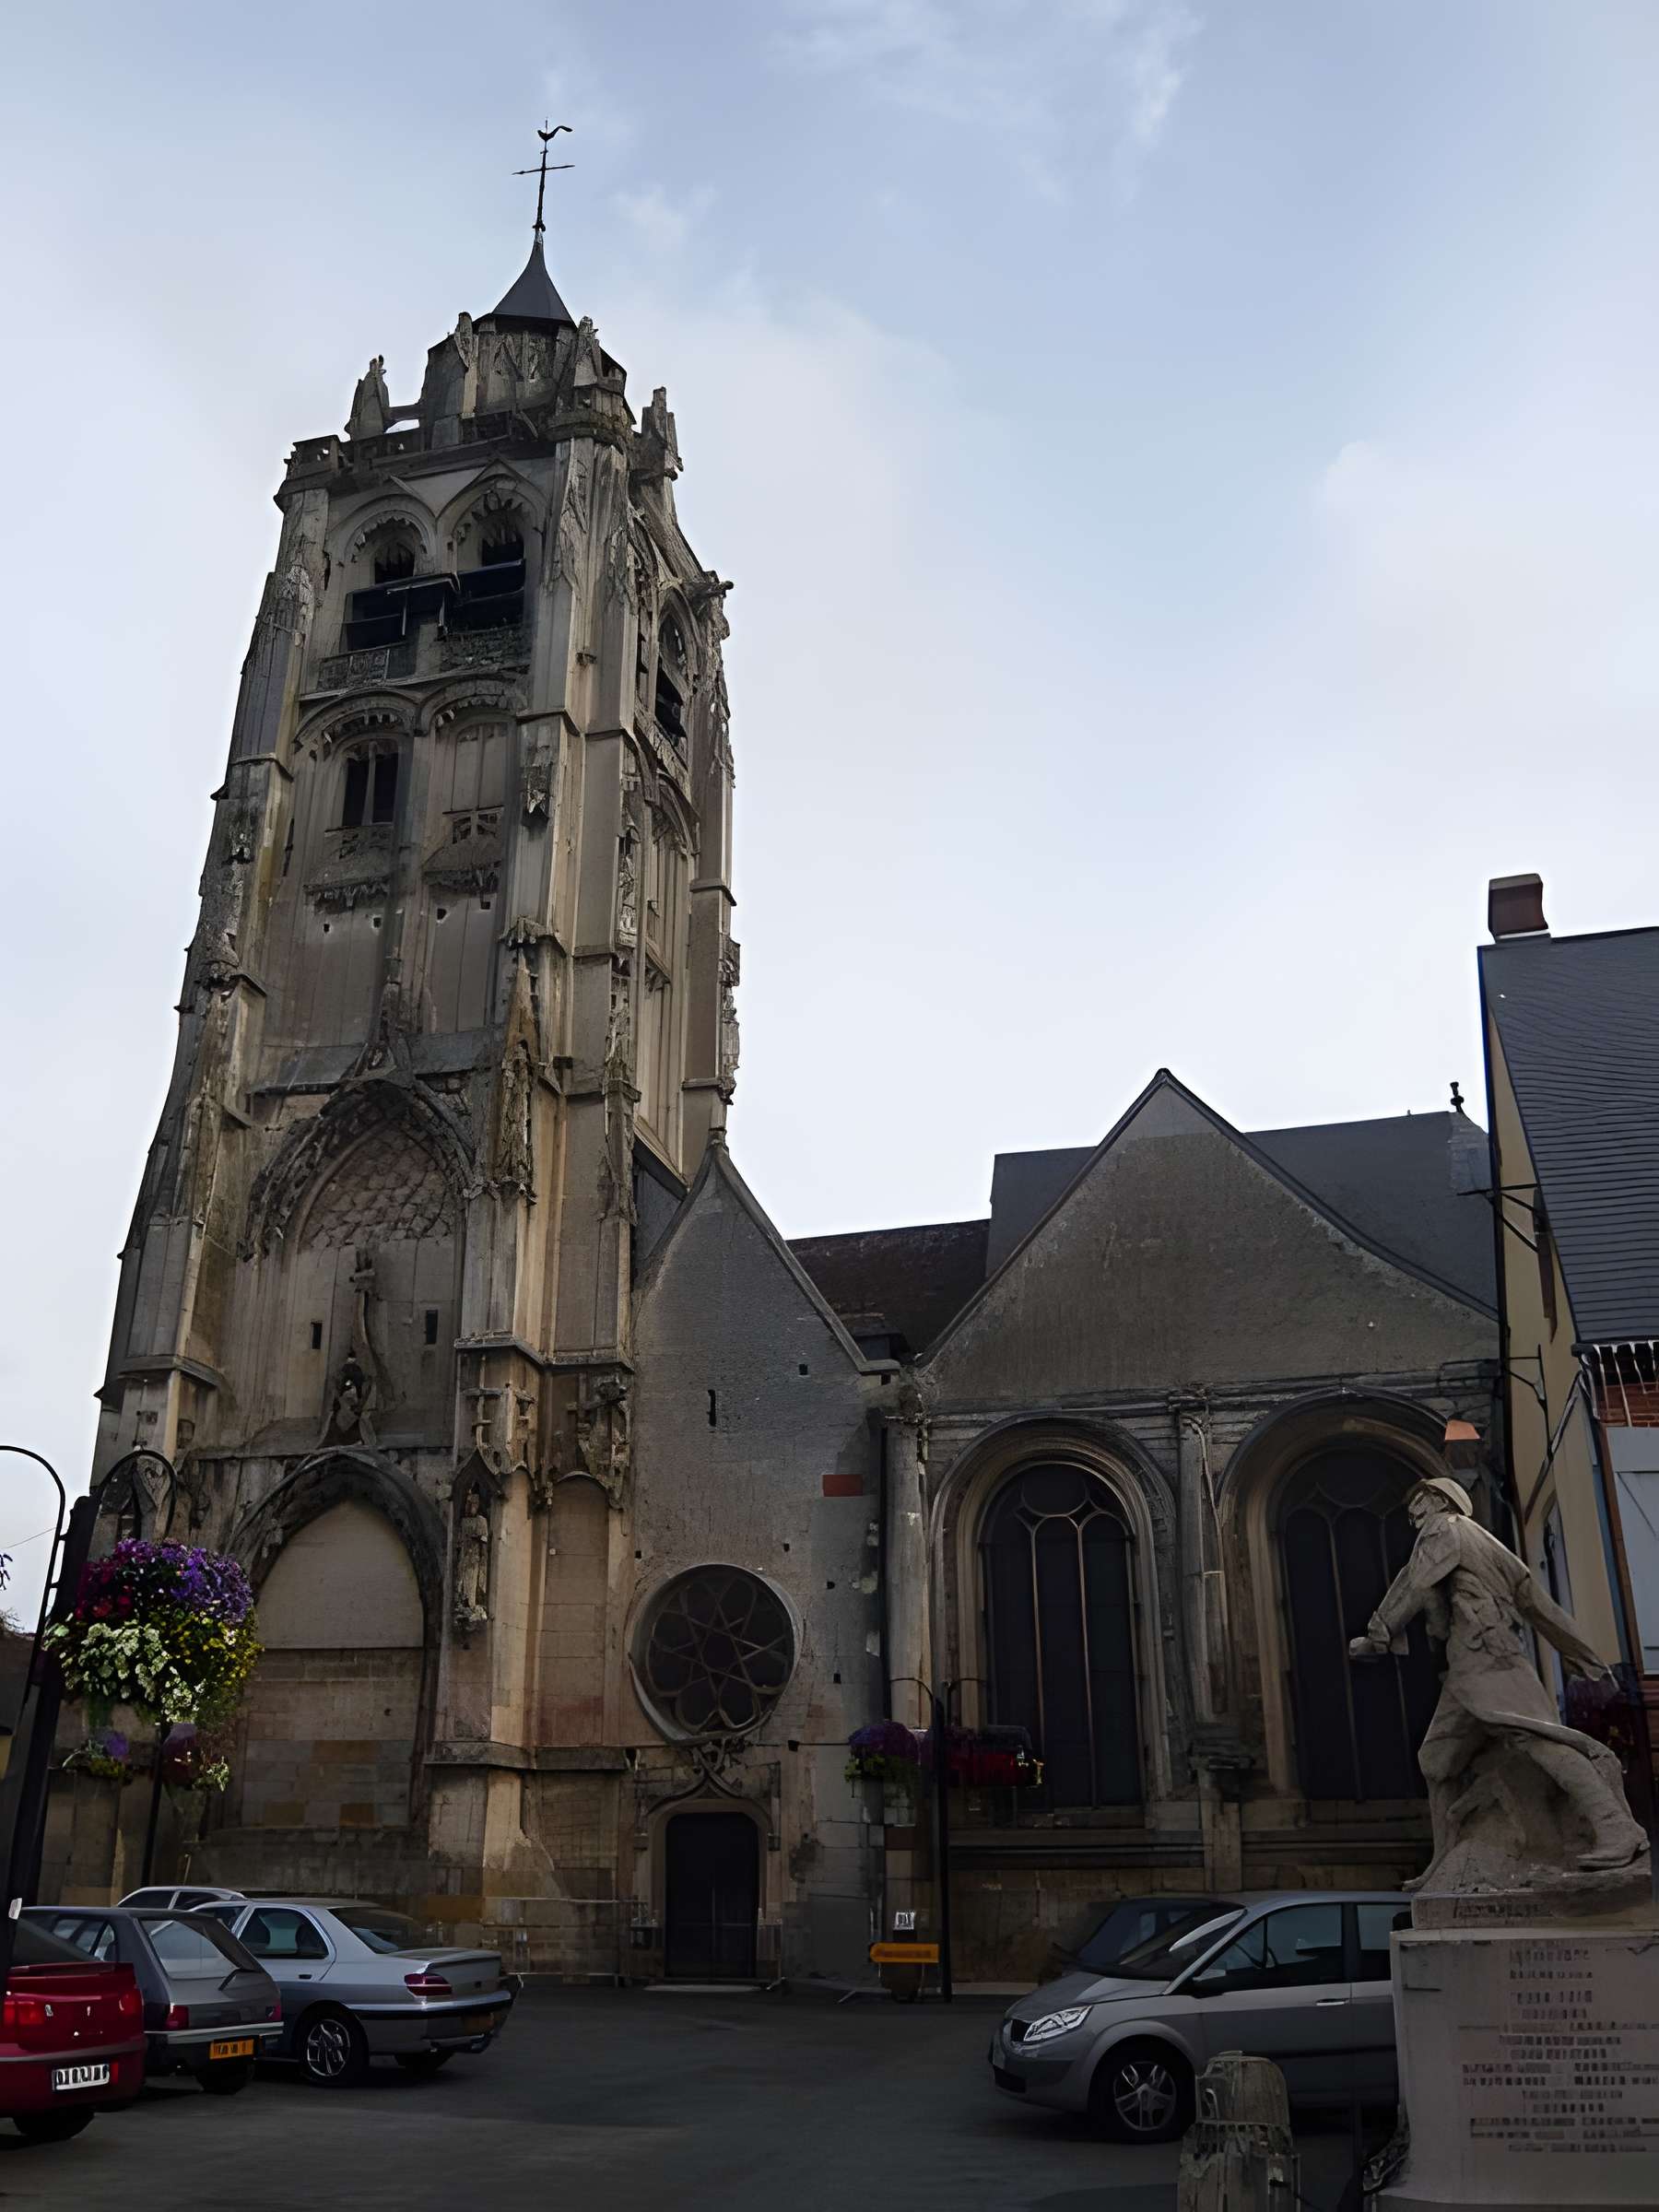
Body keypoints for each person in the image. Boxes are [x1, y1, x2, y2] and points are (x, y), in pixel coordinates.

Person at [1348, 1476, 1646, 1877]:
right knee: (1437, 1760)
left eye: (1417, 1500)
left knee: (1536, 1738)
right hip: (1473, 1663)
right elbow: (1539, 1605)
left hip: (1486, 1657)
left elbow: (1415, 1581)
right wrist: (1585, 1657)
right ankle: (1445, 1859)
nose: (1412, 1511)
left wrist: (1377, 1636)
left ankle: (1616, 1826)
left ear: (1439, 1500)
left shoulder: (1444, 1527)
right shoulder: (1489, 1545)